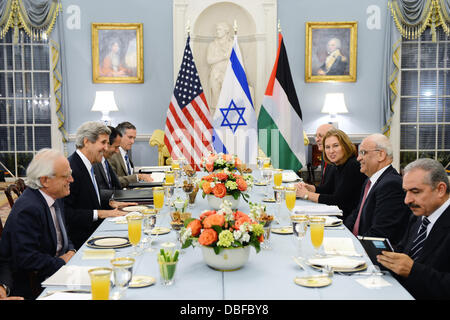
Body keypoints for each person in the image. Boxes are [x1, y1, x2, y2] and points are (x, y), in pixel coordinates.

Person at [0, 148, 76, 299]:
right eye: (66, 176)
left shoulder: (56, 197)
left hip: (59, 270)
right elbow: (26, 258)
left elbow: (64, 235)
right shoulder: (29, 208)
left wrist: (72, 251)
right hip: (37, 283)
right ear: (45, 180)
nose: (71, 180)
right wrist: (61, 262)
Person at [377, 158, 450, 300]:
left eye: (415, 191)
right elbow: (404, 250)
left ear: (440, 189)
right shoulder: (418, 217)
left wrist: (413, 270)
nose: (407, 200)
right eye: (405, 191)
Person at [64, 121, 129, 250]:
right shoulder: (72, 169)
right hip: (83, 243)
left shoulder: (89, 165)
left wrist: (111, 204)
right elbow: (67, 214)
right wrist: (100, 213)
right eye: (103, 142)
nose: (106, 148)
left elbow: (88, 201)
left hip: (97, 233)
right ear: (87, 142)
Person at [344, 134, 410, 245]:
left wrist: (351, 246)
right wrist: (342, 235)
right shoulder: (370, 181)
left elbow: (380, 232)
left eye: (363, 152)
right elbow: (356, 215)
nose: (358, 158)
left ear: (381, 155)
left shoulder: (391, 184)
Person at [295, 128, 366, 219]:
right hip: (336, 215)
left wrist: (306, 195)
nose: (331, 151)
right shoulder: (337, 164)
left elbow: (337, 201)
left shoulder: (352, 166)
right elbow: (327, 189)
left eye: (335, 146)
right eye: (327, 147)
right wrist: (309, 188)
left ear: (345, 146)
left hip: (346, 221)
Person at [109, 121, 153, 188]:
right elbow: (114, 181)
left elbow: (129, 174)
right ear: (120, 136)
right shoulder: (112, 155)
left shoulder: (126, 153)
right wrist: (138, 177)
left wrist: (142, 176)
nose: (133, 142)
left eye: (134, 138)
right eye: (130, 137)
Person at [93, 126, 123, 208]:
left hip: (114, 205)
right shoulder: (94, 163)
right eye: (116, 147)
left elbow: (116, 185)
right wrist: (117, 194)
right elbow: (95, 192)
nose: (117, 152)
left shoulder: (105, 160)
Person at [206, 22, 233, 113]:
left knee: (228, 96)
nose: (217, 31)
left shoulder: (232, 44)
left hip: (228, 73)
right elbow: (209, 60)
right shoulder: (212, 45)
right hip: (215, 73)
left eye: (220, 29)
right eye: (217, 29)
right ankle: (216, 118)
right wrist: (223, 57)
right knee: (216, 97)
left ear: (226, 31)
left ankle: (228, 118)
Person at [315, 123, 336, 188]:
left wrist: (308, 194)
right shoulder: (324, 155)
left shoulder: (336, 160)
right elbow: (325, 187)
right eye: (316, 136)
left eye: (320, 136)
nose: (317, 139)